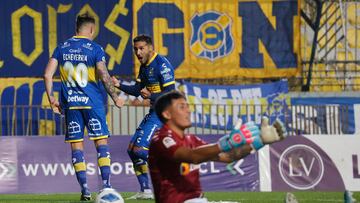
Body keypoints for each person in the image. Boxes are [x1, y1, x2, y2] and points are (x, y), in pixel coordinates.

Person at [149, 90, 288, 203]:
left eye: (187, 106)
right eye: (182, 107)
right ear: (167, 114)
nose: (188, 111)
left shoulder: (191, 139)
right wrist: (226, 143)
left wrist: (258, 142)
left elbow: (227, 156)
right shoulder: (161, 139)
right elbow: (192, 157)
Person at [44, 13, 124, 201]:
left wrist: (52, 100)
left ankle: (85, 190)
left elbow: (47, 75)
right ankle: (106, 186)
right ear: (91, 29)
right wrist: (115, 97)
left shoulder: (61, 48)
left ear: (76, 27)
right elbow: (104, 74)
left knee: (76, 146)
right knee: (101, 144)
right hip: (93, 104)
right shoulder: (95, 48)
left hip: (71, 105)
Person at [111, 34, 175, 199]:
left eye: (141, 48)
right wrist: (119, 85)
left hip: (164, 113)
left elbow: (170, 93)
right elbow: (138, 89)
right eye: (135, 49)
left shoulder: (162, 65)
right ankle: (146, 190)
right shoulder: (144, 67)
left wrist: (150, 96)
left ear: (150, 48)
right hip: (154, 112)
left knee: (140, 149)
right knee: (132, 150)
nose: (138, 52)